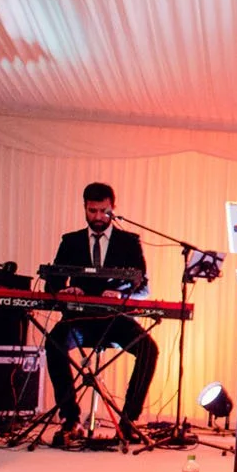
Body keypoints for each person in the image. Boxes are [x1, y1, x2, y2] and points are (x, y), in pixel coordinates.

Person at [43, 183, 156, 447]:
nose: (97, 217)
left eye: (103, 211)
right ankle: (70, 418)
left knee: (149, 349)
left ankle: (128, 420)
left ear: (113, 209)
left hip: (115, 320)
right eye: (92, 211)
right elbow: (52, 281)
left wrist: (120, 294)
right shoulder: (70, 241)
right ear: (84, 208)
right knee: (54, 342)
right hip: (79, 320)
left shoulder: (129, 241)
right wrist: (65, 288)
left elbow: (143, 285)